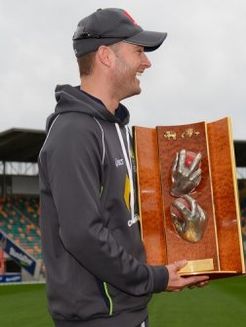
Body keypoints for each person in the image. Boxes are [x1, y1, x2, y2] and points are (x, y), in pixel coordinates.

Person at [38, 8, 208, 327]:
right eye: (139, 51)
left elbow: (123, 220)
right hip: (99, 318)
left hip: (126, 314)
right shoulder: (74, 133)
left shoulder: (115, 128)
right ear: (106, 56)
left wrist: (175, 265)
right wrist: (153, 278)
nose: (147, 62)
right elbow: (82, 234)